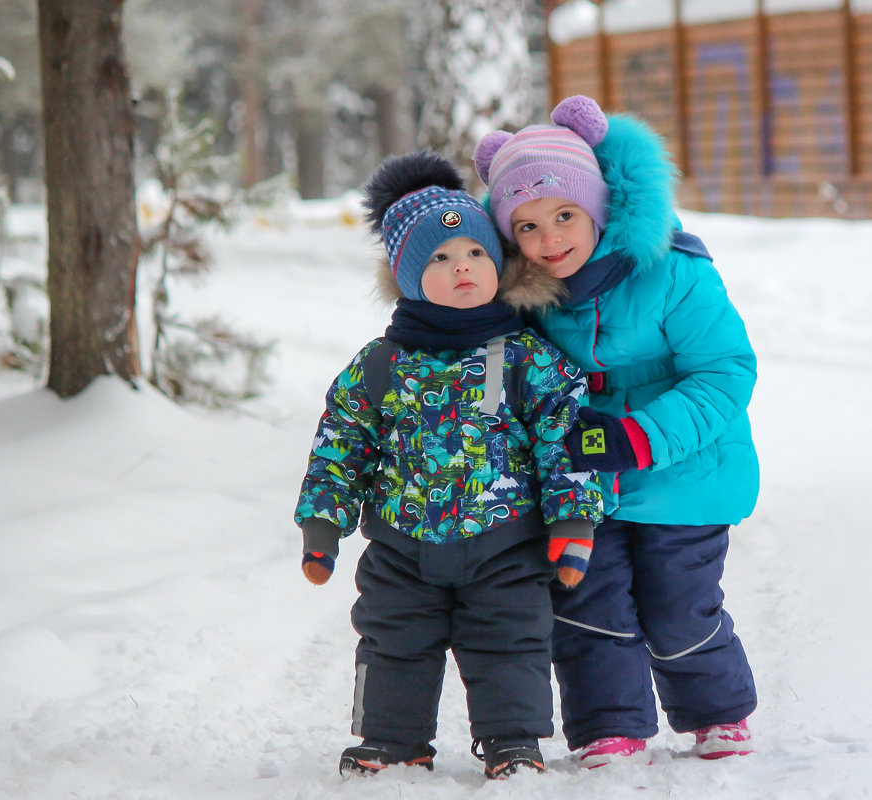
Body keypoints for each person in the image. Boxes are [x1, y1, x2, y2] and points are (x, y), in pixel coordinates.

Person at [293, 151, 603, 780]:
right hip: (401, 545)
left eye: (475, 253)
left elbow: (565, 435)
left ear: (499, 265)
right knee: (391, 639)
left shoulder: (527, 357)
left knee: (511, 642)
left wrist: (574, 523)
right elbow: (341, 439)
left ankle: (514, 741)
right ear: (408, 277)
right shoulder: (380, 364)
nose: (462, 265)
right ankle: (390, 737)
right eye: (439, 258)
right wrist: (322, 526)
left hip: (507, 541)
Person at [473, 95, 760, 768]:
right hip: (584, 480)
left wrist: (640, 436)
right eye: (529, 226)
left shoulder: (673, 272)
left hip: (685, 475)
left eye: (565, 215)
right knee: (586, 604)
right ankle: (609, 724)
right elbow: (501, 385)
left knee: (676, 607)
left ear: (599, 206)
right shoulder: (524, 300)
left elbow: (724, 372)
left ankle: (717, 711)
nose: (550, 239)